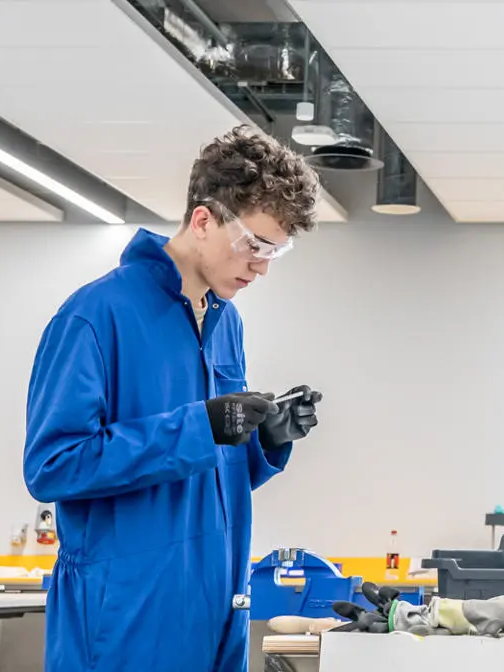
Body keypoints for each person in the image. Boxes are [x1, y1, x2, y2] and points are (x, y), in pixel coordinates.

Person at [23, 124, 327, 672]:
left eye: (274, 254)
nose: (260, 266)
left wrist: (263, 441)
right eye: (253, 246)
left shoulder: (225, 323)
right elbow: (52, 466)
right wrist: (200, 427)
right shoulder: (96, 316)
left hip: (217, 606)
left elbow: (206, 470)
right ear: (203, 221)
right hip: (126, 617)